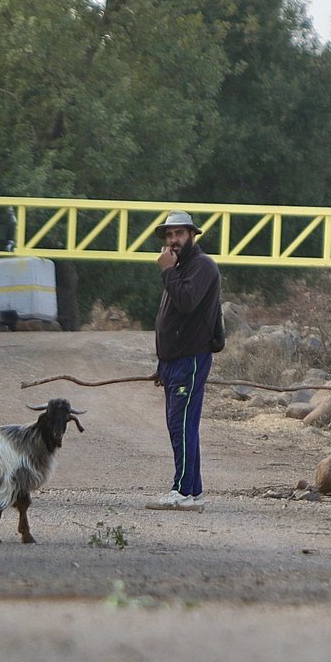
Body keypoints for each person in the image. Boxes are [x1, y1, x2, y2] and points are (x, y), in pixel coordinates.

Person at [146, 209, 221, 512]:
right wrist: (162, 364)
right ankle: (194, 491)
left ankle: (182, 491)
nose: (173, 240)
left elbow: (187, 302)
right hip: (175, 363)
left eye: (179, 233)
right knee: (180, 424)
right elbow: (172, 318)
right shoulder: (180, 268)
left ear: (192, 235)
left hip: (190, 360)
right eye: (169, 235)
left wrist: (167, 271)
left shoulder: (201, 266)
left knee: (182, 425)